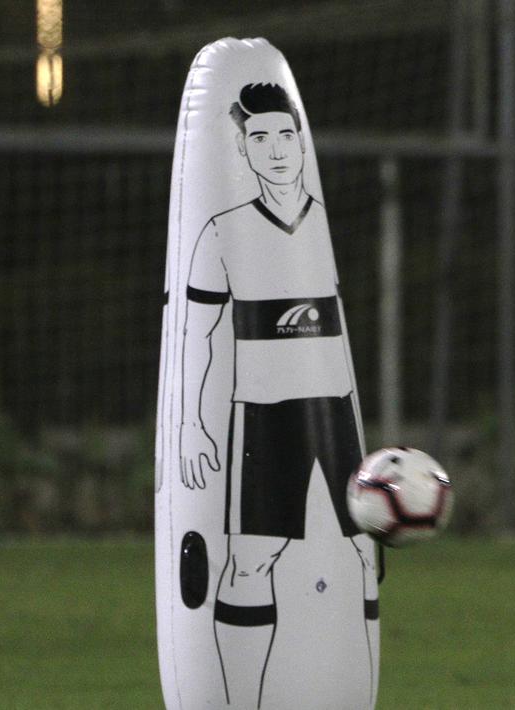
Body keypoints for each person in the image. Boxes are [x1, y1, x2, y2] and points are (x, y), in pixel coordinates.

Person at [178, 82, 378, 706]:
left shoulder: (323, 221)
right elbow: (197, 333)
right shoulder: (221, 232)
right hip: (265, 417)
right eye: (258, 138)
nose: (275, 149)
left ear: (301, 141)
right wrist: (189, 423)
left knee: (365, 556)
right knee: (249, 563)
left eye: (285, 135)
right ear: (241, 148)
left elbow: (338, 323)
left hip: (334, 412)